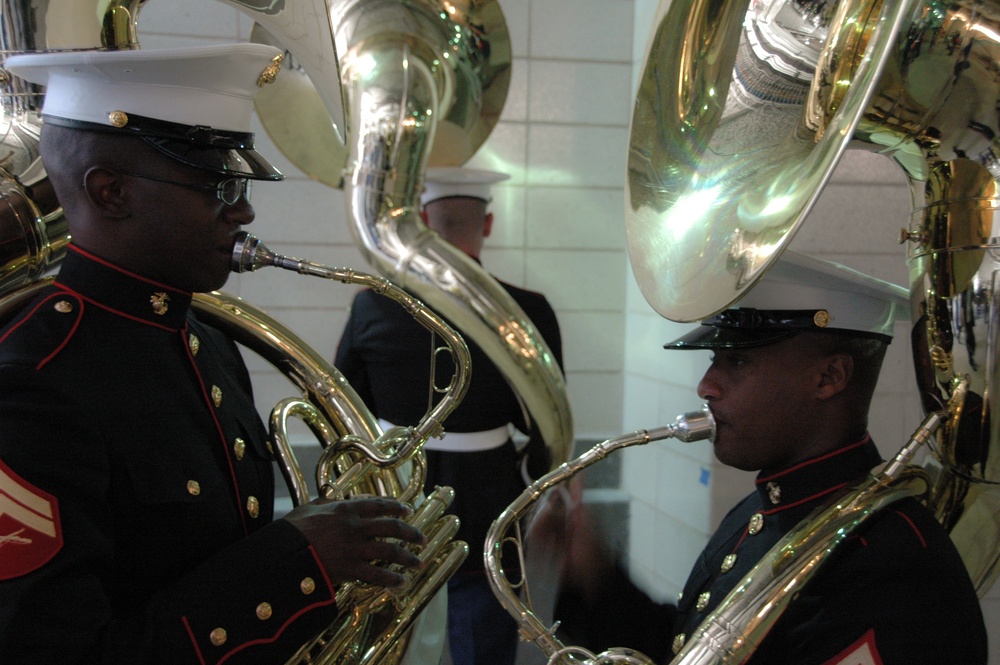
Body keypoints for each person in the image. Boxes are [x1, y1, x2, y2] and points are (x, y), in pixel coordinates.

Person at [0, 44, 427, 664]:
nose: (245, 211)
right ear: (111, 192)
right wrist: (296, 564)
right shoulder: (32, 385)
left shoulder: (208, 341)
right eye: (219, 186)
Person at [546, 251, 988, 663]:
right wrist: (593, 573)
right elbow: (693, 650)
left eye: (736, 361)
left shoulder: (890, 566)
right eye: (715, 358)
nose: (706, 385)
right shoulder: (760, 512)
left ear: (829, 377)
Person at [334, 166, 564, 665]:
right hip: (490, 493)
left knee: (386, 638)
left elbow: (347, 405)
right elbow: (544, 426)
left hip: (394, 493)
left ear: (421, 219)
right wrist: (538, 488)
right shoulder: (529, 310)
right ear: (487, 224)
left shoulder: (372, 305)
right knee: (483, 642)